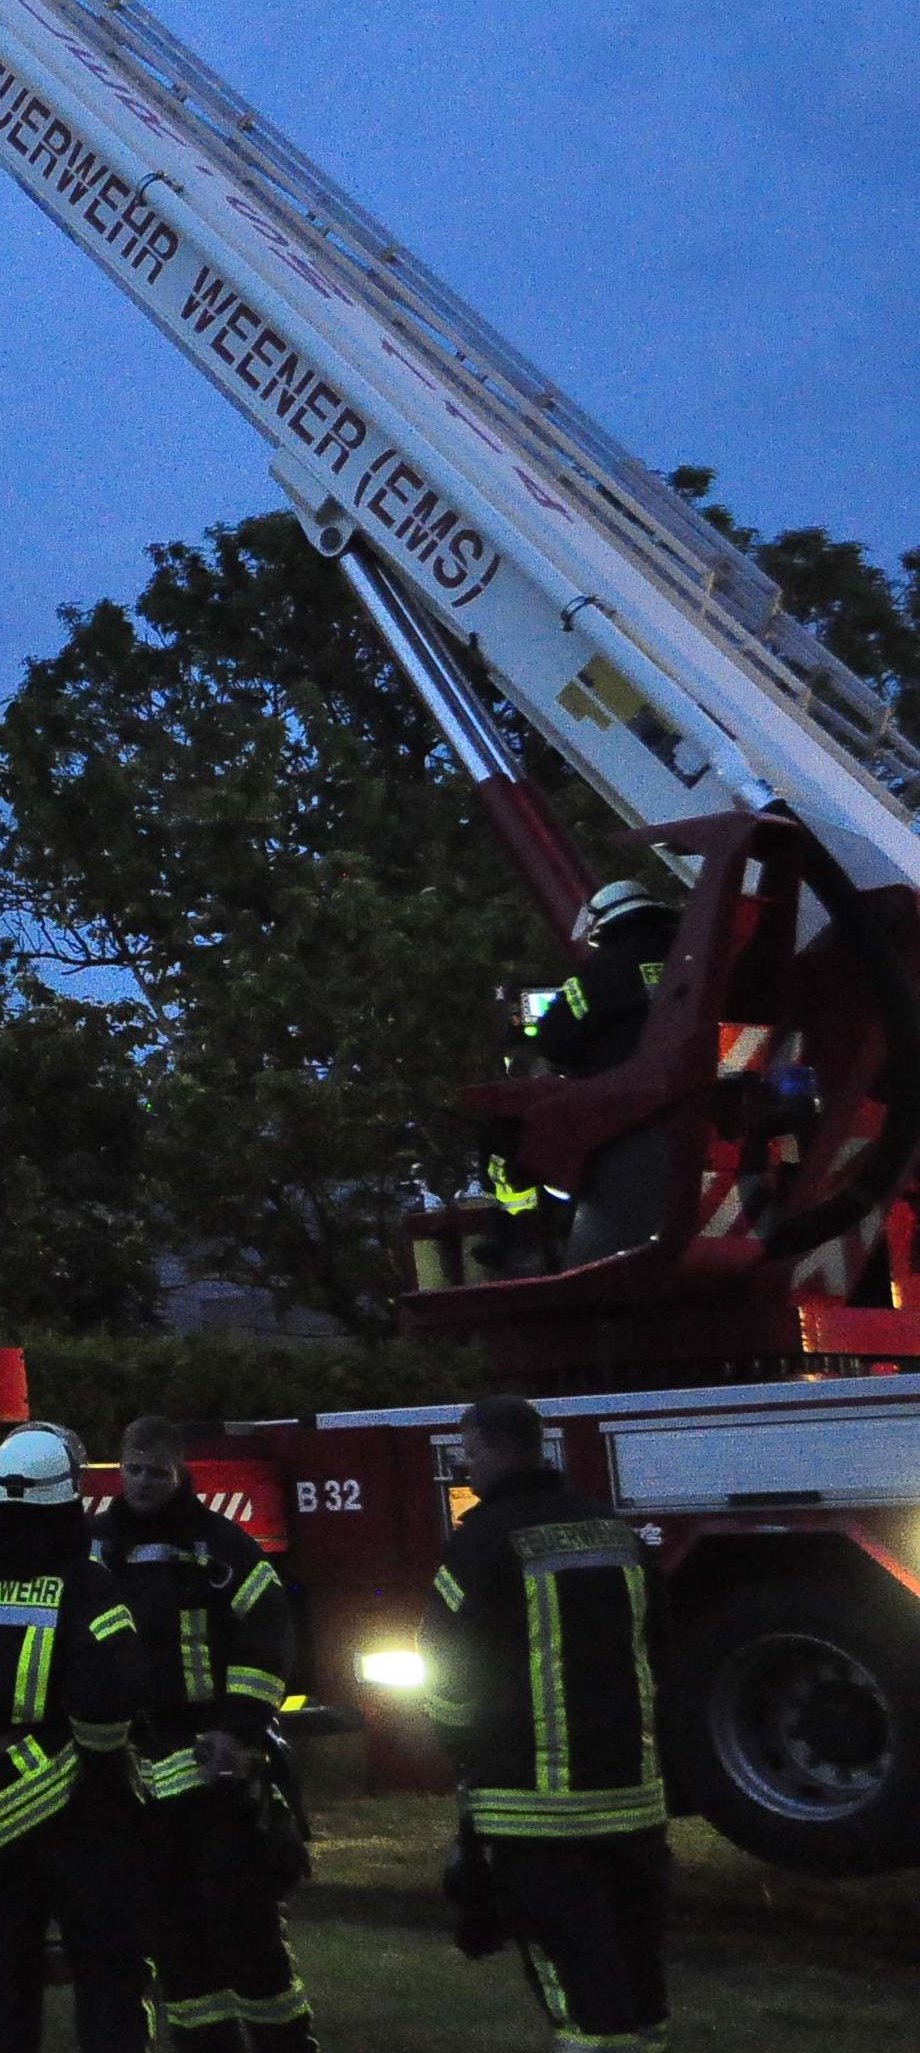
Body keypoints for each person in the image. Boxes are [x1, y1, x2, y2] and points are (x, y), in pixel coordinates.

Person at [421, 1394, 670, 2052]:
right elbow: (657, 1647)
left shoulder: (475, 1546)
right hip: (632, 1804)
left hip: (532, 1813)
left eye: (469, 1454)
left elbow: (445, 1673)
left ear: (498, 1450)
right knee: (639, 1982)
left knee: (579, 1992)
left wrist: (463, 1753)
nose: (466, 1468)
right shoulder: (616, 1532)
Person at [0, 1425, 152, 2053]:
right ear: (66, 1502)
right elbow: (106, 1699)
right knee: (109, 1975)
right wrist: (100, 1768)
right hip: (81, 1812)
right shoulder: (87, 1587)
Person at [93, 1418, 314, 2053]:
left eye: (155, 1472)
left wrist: (237, 1729)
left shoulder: (219, 1546)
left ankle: (284, 2044)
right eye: (131, 1470)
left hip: (211, 1766)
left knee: (242, 1925)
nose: (140, 1483)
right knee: (170, 1934)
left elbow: (270, 1637)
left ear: (180, 1471)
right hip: (131, 1769)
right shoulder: (94, 1548)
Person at [482, 879, 685, 1271]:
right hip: (689, 1100)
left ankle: (517, 1239)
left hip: (618, 1109)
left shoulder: (603, 970)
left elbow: (555, 1038)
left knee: (501, 1128)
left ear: (604, 923)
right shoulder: (693, 959)